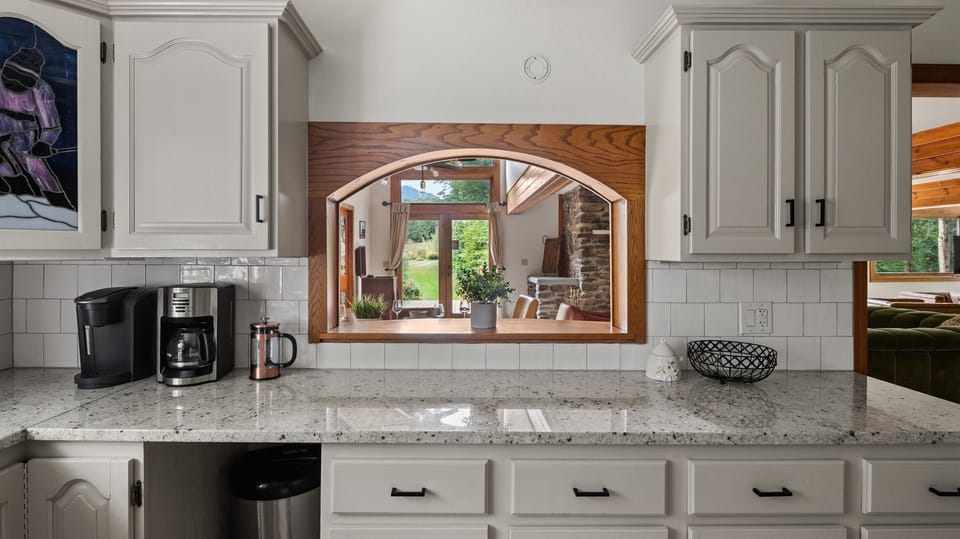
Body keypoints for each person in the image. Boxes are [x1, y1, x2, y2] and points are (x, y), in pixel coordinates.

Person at [0, 46, 73, 209]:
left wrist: (44, 143)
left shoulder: (41, 90)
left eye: (21, 81)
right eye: (10, 77)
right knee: (6, 170)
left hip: (26, 138)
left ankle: (61, 208)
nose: (13, 84)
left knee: (39, 171)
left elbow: (51, 125)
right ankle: (14, 202)